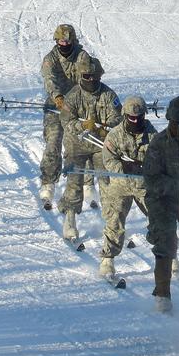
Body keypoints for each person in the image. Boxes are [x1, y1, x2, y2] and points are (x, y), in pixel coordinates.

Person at [57, 56, 122, 242]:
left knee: (108, 181)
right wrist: (83, 126)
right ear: (80, 75)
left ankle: (112, 221)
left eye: (94, 76)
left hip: (100, 145)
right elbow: (66, 121)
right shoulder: (72, 96)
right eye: (87, 76)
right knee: (74, 181)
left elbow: (117, 119)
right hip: (76, 144)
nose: (91, 79)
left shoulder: (109, 95)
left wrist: (102, 128)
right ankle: (70, 218)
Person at [143, 96, 179, 313]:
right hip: (161, 199)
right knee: (165, 243)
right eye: (178, 124)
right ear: (170, 122)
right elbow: (151, 178)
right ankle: (163, 294)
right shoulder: (158, 143)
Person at [97, 96, 157, 279]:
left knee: (159, 218)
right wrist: (124, 167)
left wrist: (148, 167)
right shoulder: (114, 135)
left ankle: (168, 256)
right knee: (114, 219)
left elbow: (160, 159)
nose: (135, 120)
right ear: (124, 115)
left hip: (143, 185)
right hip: (120, 184)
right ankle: (108, 258)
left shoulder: (153, 135)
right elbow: (108, 159)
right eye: (131, 117)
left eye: (139, 117)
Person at [39, 24, 93, 210]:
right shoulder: (50, 59)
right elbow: (49, 79)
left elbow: (88, 76)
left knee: (82, 144)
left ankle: (87, 182)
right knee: (53, 142)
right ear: (56, 41)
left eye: (68, 41)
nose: (65, 44)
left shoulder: (82, 56)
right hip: (56, 106)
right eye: (61, 41)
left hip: (78, 107)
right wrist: (58, 97)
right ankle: (48, 182)